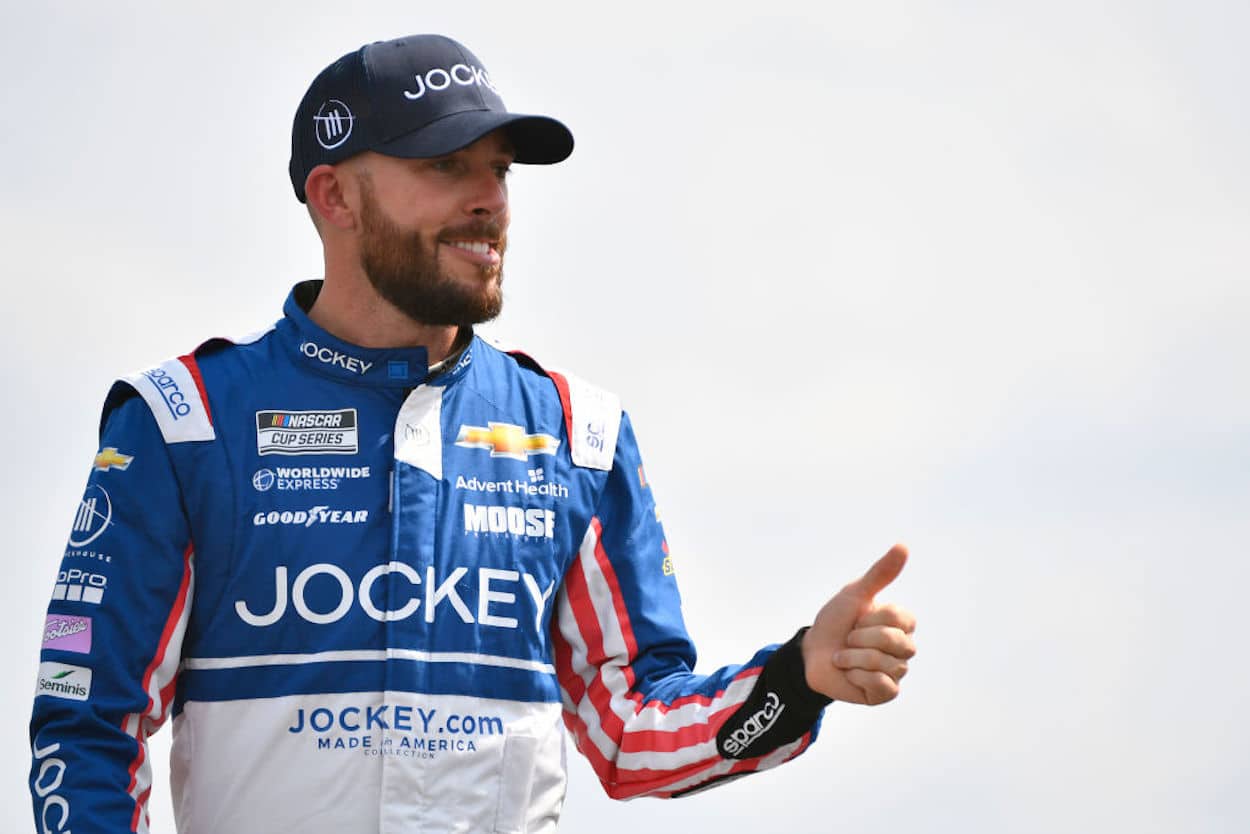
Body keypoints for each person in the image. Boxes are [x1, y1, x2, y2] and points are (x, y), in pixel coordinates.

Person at [29, 34, 917, 834]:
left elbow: (632, 728)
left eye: (500, 171)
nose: (489, 199)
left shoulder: (579, 433)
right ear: (334, 194)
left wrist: (797, 680)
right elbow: (85, 727)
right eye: (448, 165)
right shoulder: (181, 422)